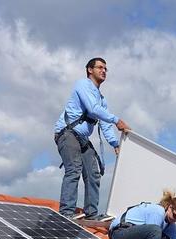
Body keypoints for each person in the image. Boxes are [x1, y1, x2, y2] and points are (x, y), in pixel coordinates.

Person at [54, 57, 131, 220]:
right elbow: (92, 109)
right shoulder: (83, 85)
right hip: (67, 134)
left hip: (81, 138)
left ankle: (91, 213)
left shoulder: (102, 99)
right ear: (90, 70)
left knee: (93, 173)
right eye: (100, 67)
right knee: (74, 169)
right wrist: (117, 120)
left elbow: (104, 123)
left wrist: (115, 143)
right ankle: (66, 213)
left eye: (105, 69)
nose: (103, 71)